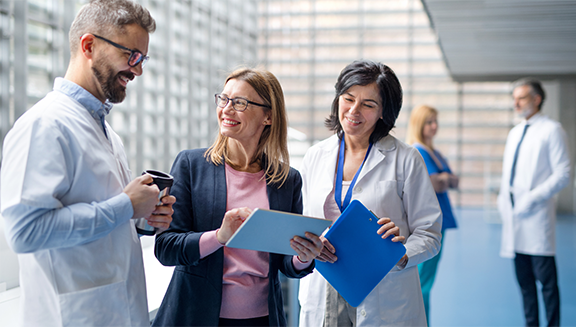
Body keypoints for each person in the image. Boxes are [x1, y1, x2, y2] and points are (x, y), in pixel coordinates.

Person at [0, 1, 176, 326]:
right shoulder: (43, 126)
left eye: (143, 59)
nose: (138, 70)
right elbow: (25, 232)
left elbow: (102, 220)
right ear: (89, 46)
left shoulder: (107, 132)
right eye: (131, 56)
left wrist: (141, 218)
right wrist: (125, 206)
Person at [151, 67, 324, 327]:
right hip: (195, 316)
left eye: (240, 103)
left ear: (268, 116)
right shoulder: (191, 165)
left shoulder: (287, 180)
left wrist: (303, 256)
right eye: (224, 99)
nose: (227, 109)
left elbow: (285, 264)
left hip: (262, 320)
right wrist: (220, 236)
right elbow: (166, 248)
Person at [298, 60, 442, 327]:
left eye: (368, 104)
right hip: (324, 286)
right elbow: (301, 222)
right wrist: (309, 245)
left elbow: (430, 234)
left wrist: (402, 254)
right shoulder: (315, 156)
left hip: (384, 288)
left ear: (383, 112)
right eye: (348, 98)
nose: (354, 111)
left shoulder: (406, 158)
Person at [498, 78, 570, 327]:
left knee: (547, 284)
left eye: (522, 98)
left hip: (537, 217)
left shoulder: (552, 130)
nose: (516, 103)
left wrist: (532, 198)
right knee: (525, 283)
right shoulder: (515, 132)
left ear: (537, 99)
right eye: (514, 98)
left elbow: (563, 173)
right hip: (514, 218)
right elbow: (509, 173)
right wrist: (502, 201)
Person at [406, 104, 458, 325]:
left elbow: (452, 180)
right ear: (419, 124)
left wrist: (443, 178)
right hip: (428, 223)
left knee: (427, 279)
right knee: (422, 282)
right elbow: (434, 184)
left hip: (440, 222)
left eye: (435, 121)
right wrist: (443, 178)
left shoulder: (433, 152)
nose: (434, 126)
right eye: (429, 122)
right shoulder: (417, 151)